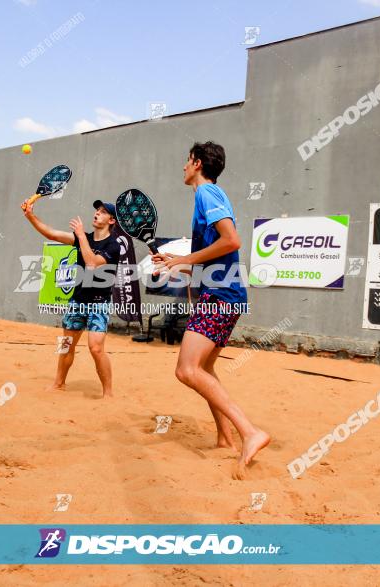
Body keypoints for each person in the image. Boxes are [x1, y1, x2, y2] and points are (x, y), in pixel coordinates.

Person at [151, 141, 270, 479]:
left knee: (186, 370)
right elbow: (220, 256)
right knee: (205, 368)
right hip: (222, 291)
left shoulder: (207, 194)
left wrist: (185, 258)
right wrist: (177, 263)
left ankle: (250, 432)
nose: (183, 166)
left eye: (186, 161)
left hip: (221, 295)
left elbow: (232, 241)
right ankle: (224, 438)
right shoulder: (209, 196)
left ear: (198, 163)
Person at [21, 198, 120, 398]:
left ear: (111, 221)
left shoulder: (113, 246)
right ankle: (59, 383)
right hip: (79, 300)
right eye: (97, 210)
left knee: (96, 348)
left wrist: (82, 236)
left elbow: (92, 263)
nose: (97, 213)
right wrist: (30, 215)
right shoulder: (84, 237)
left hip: (99, 302)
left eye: (102, 212)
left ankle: (108, 393)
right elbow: (51, 233)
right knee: (66, 344)